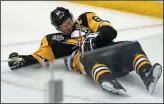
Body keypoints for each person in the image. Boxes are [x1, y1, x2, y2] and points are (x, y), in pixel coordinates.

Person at [8, 7, 162, 95]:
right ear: (58, 28)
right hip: (88, 63)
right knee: (87, 56)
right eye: (64, 26)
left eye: (69, 22)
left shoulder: (86, 19)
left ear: (72, 17)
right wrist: (22, 60)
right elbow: (40, 57)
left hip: (112, 55)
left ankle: (147, 73)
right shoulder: (54, 40)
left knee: (131, 45)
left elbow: (110, 30)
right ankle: (107, 80)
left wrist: (98, 35)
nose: (68, 26)